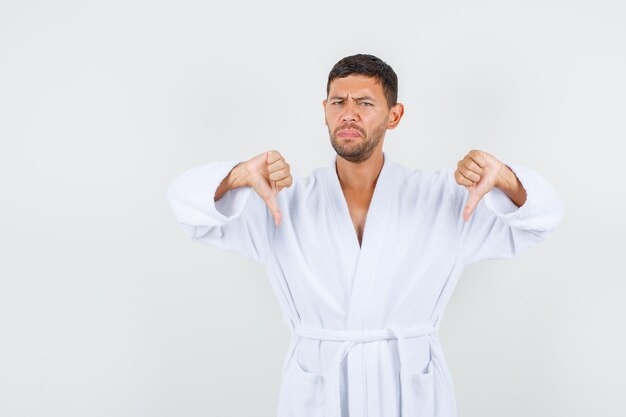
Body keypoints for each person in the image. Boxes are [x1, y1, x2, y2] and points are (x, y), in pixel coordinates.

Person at [166, 53, 564, 417]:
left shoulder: (443, 199)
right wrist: (235, 176)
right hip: (317, 394)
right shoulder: (282, 202)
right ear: (324, 111)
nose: (349, 114)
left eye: (365, 103)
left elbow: (541, 219)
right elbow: (190, 211)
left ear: (394, 115)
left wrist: (508, 180)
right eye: (338, 102)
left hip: (409, 393)